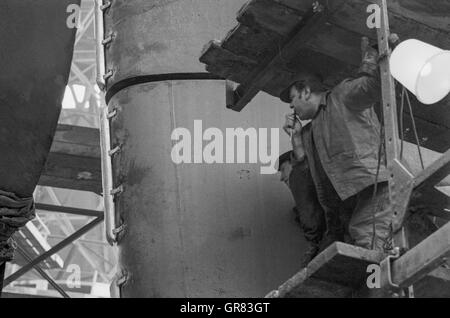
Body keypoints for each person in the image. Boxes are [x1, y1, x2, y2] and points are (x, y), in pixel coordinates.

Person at [280, 37, 393, 252]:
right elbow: (307, 189)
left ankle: (380, 281)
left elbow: (372, 86)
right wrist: (296, 141)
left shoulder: (341, 96)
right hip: (343, 210)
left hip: (372, 189)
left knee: (365, 234)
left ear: (305, 91)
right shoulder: (307, 133)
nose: (292, 106)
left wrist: (370, 56)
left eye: (292, 99)